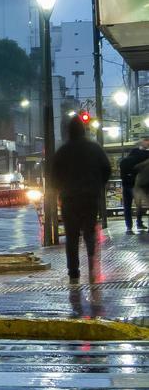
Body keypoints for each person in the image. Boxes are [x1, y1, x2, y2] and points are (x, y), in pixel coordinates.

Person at [53, 114, 112, 283]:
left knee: (71, 236)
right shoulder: (94, 148)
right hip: (90, 197)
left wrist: (61, 189)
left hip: (69, 198)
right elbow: (106, 168)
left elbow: (54, 175)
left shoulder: (63, 151)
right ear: (83, 129)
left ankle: (73, 271)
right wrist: (97, 185)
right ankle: (93, 265)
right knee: (89, 232)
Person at [119, 137, 149, 234]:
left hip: (125, 185)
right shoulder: (139, 159)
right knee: (139, 205)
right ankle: (139, 223)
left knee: (127, 207)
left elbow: (122, 175)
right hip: (135, 186)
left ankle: (129, 227)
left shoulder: (123, 161)